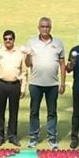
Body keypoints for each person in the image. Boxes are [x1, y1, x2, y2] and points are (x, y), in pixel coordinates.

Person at [25, 17, 65, 149]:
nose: (45, 29)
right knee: (34, 111)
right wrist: (28, 55)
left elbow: (62, 64)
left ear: (50, 28)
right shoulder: (31, 42)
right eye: (42, 26)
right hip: (36, 83)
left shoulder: (58, 43)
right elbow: (27, 64)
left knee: (52, 112)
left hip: (52, 84)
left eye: (47, 26)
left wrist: (63, 82)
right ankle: (33, 137)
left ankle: (52, 138)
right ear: (38, 28)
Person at [0, 29, 27, 147]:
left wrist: (23, 87)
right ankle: (0, 136)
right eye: (5, 39)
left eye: (10, 39)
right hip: (1, 84)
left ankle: (12, 136)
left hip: (14, 85)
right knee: (0, 111)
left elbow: (24, 72)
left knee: (14, 111)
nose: (8, 41)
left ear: (13, 40)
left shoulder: (20, 53)